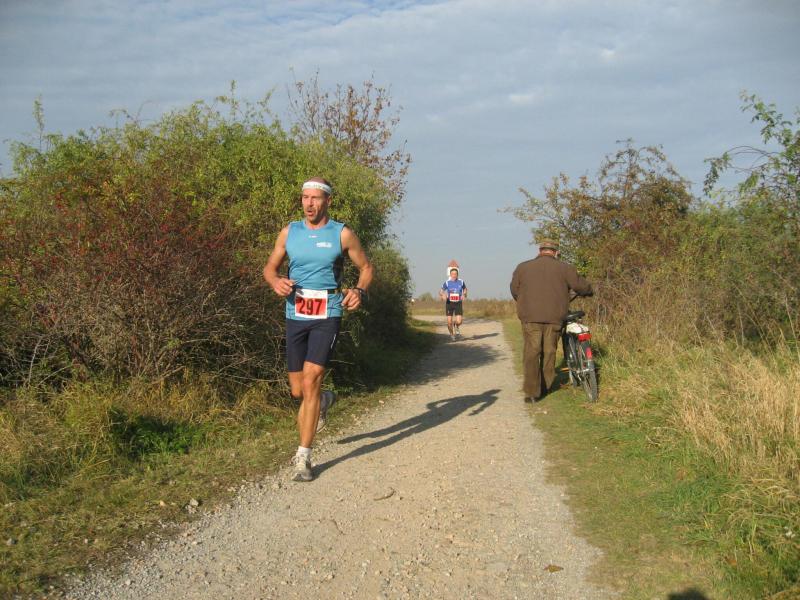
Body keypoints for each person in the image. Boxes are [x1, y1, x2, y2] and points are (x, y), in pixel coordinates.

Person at [263, 177, 373, 482]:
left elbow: (366, 268)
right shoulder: (290, 232)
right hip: (295, 312)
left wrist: (360, 291)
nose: (309, 203)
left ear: (328, 201)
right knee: (298, 390)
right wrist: (275, 281)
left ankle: (303, 457)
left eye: (315, 198)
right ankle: (323, 400)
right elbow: (269, 268)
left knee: (311, 379)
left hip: (328, 311)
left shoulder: (342, 233)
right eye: (305, 198)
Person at [510, 238, 592, 403]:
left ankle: (532, 393)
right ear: (556, 252)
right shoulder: (565, 268)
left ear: (539, 251)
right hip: (555, 317)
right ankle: (545, 387)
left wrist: (526, 303)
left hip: (530, 317)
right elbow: (581, 286)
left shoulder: (522, 267)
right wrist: (588, 291)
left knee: (532, 353)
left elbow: (514, 290)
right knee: (549, 352)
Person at [439, 267, 467, 340]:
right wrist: (443, 295)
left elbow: (465, 289)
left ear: (457, 275)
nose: (454, 275)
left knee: (459, 321)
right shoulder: (447, 282)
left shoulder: (461, 282)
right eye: (452, 274)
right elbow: (441, 291)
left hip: (458, 303)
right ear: (450, 275)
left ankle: (456, 325)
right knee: (449, 322)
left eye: (455, 274)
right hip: (449, 303)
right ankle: (452, 335)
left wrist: (464, 294)